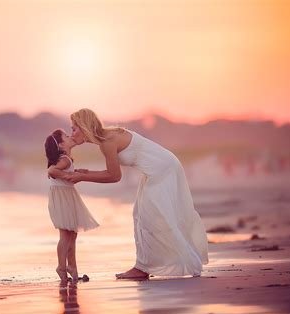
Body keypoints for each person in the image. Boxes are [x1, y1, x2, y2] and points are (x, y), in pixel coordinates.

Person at [63, 109, 209, 279]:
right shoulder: (108, 136)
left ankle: (149, 267)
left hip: (163, 170)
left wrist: (82, 177)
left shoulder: (107, 142)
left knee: (150, 217)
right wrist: (86, 173)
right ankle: (144, 266)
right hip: (157, 170)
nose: (72, 133)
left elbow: (114, 176)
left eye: (74, 128)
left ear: (84, 126)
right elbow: (112, 172)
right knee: (140, 215)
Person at [44, 129, 100, 283]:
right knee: (66, 234)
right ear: (61, 144)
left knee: (72, 233)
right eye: (66, 136)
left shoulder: (67, 160)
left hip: (64, 197)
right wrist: (67, 175)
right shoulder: (65, 160)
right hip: (63, 198)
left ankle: (72, 266)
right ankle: (61, 266)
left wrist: (74, 172)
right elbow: (52, 170)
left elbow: (56, 171)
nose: (70, 137)